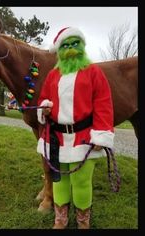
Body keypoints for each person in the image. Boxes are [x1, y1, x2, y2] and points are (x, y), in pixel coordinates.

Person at [36, 27, 114, 229]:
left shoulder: (94, 72)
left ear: (82, 46)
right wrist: (44, 107)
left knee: (81, 182)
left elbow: (103, 104)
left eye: (74, 44)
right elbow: (44, 97)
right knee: (59, 179)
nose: (70, 48)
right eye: (66, 45)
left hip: (84, 139)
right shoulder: (53, 75)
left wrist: (101, 136)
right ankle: (60, 219)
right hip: (56, 139)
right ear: (60, 50)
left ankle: (83, 222)